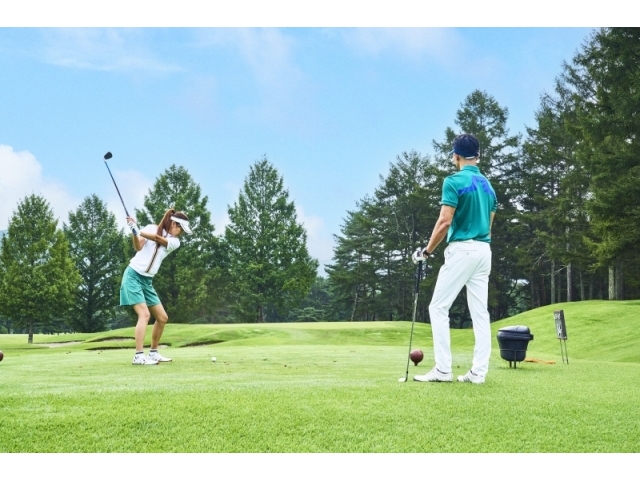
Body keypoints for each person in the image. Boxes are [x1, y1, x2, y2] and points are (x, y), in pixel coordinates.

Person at [413, 133, 497, 384]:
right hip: (484, 251)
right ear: (478, 156)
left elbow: (444, 221)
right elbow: (489, 226)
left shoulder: (453, 181)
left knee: (438, 307)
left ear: (456, 156)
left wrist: (426, 252)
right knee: (480, 313)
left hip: (462, 250)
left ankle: (443, 370)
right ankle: (478, 372)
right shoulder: (489, 187)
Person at [120, 208, 193, 365]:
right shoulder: (150, 228)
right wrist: (135, 233)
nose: (181, 233)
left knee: (162, 317)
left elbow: (157, 239)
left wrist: (138, 229)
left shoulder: (175, 242)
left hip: (147, 281)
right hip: (133, 276)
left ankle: (153, 353)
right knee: (144, 315)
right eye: (181, 229)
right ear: (174, 224)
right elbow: (138, 246)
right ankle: (138, 356)